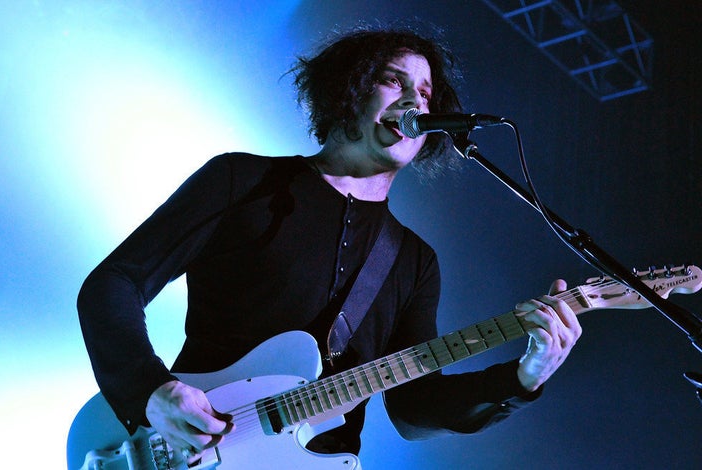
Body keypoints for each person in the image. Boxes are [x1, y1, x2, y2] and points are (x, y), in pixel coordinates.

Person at [77, 25, 581, 464]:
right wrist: (151, 390)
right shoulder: (244, 181)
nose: (415, 103)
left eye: (426, 95)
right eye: (394, 81)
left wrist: (522, 377)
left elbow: (412, 410)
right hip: (184, 448)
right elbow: (114, 283)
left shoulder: (413, 262)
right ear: (349, 89)